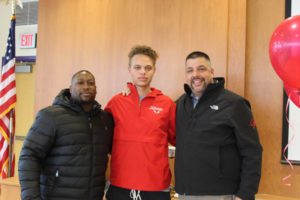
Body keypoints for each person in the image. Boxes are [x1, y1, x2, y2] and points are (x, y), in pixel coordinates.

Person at [175, 51, 262, 200]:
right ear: (186, 75)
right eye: (190, 70)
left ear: (212, 72)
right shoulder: (180, 104)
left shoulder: (235, 104)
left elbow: (252, 151)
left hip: (222, 193)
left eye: (201, 69)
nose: (196, 74)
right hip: (185, 193)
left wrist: (245, 194)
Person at [18, 70, 114, 200]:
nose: (86, 86)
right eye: (80, 83)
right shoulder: (50, 116)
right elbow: (29, 156)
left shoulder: (104, 119)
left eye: (90, 83)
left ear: (96, 88)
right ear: (70, 88)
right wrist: (31, 197)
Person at [105, 45, 176, 200]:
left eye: (148, 67)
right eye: (138, 67)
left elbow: (180, 139)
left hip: (156, 185)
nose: (143, 72)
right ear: (129, 69)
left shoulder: (167, 104)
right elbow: (102, 138)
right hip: (120, 183)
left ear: (154, 70)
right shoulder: (116, 102)